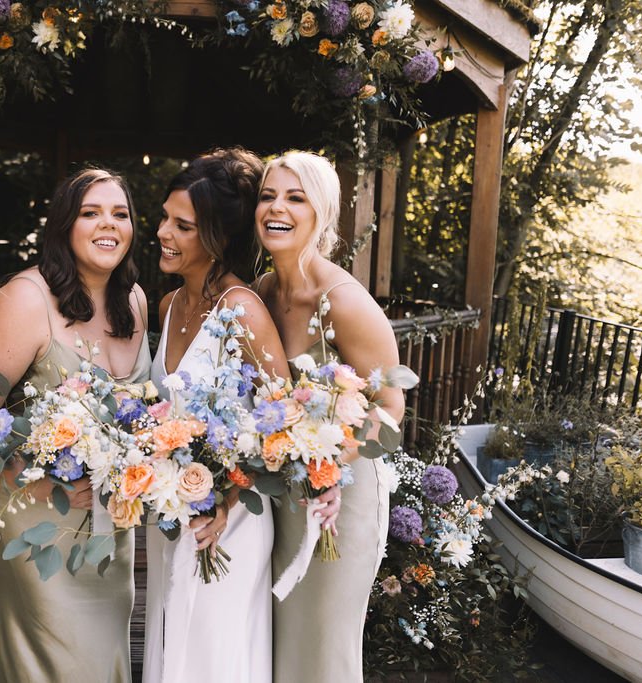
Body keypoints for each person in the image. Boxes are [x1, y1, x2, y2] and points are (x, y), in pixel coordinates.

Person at [0, 168, 150, 683]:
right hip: (32, 514)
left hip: (109, 518)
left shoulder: (133, 300)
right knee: (57, 654)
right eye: (90, 213)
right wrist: (38, 480)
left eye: (120, 213)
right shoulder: (25, 298)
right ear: (64, 225)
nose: (107, 224)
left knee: (102, 647)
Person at [254, 151, 405, 682]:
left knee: (323, 646)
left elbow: (391, 408)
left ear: (322, 215)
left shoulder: (344, 301)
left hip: (340, 499)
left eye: (296, 198)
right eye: (268, 195)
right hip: (285, 492)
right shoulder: (266, 293)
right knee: (282, 641)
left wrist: (339, 460)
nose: (277, 208)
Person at [144, 149, 290, 683]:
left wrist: (229, 496)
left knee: (213, 656)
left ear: (218, 238)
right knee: (172, 644)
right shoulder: (167, 305)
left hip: (230, 521)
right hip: (172, 511)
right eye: (165, 217)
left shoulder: (242, 309)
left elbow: (283, 417)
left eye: (183, 226)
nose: (163, 232)